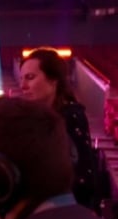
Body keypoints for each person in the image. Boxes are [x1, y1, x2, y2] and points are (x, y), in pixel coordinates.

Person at [20, 48, 99, 210]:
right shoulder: (31, 120)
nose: (23, 86)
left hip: (67, 212)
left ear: (53, 80)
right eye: (22, 79)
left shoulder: (71, 117)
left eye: (30, 78)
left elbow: (80, 176)